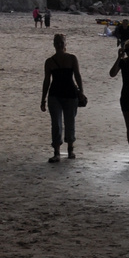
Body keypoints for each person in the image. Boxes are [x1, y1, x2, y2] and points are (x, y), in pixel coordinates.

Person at [40, 32, 85, 162]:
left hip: (67, 95)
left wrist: (81, 91)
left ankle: (68, 150)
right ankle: (59, 152)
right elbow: (46, 81)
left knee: (66, 123)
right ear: (54, 45)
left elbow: (77, 76)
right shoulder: (51, 61)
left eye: (61, 43)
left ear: (65, 45)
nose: (59, 45)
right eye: (58, 43)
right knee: (58, 124)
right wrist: (43, 98)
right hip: (57, 95)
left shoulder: (69, 59)